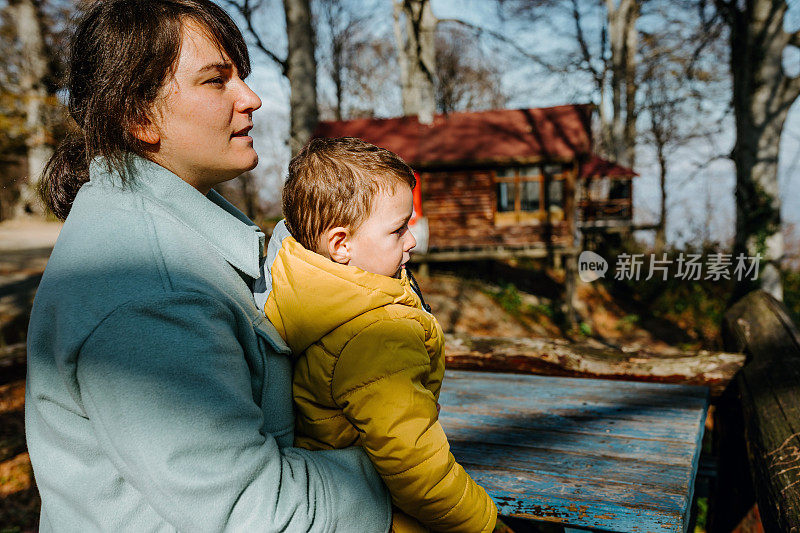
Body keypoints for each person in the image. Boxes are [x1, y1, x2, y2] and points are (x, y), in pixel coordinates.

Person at [25, 1, 391, 530]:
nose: (252, 98)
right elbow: (258, 514)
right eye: (217, 81)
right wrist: (409, 468)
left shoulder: (164, 236)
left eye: (241, 75)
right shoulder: (153, 289)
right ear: (138, 116)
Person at [262, 137, 498, 532]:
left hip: (338, 495)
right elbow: (419, 469)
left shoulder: (310, 289)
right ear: (341, 244)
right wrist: (485, 524)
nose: (412, 240)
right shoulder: (375, 335)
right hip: (381, 506)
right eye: (398, 230)